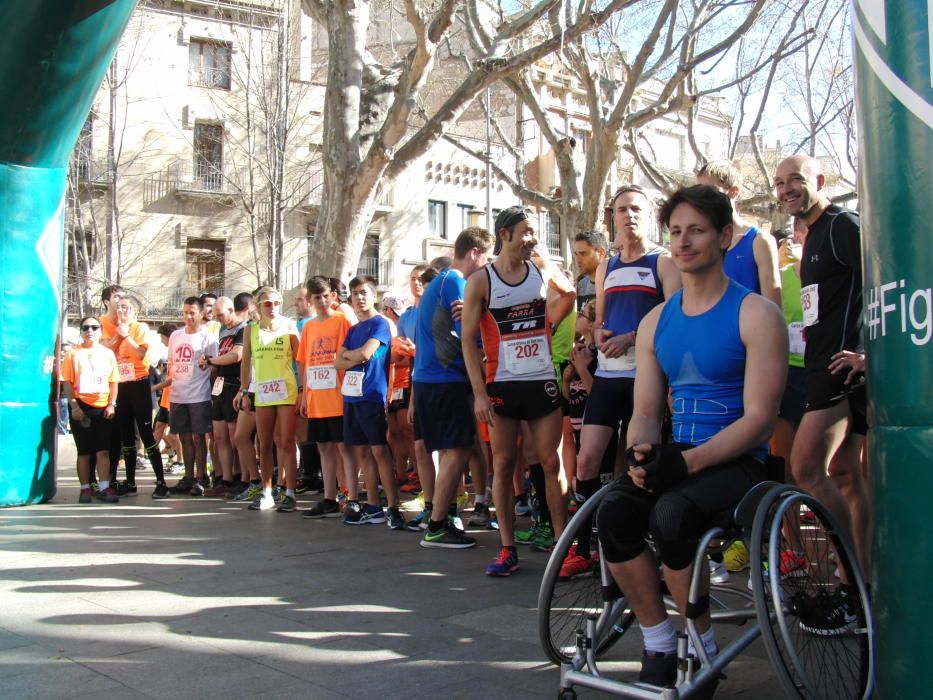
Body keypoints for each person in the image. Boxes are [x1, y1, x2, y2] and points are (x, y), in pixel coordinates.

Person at [596, 185, 786, 689]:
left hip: (740, 462)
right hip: (681, 455)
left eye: (696, 230)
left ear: (724, 236)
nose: (683, 242)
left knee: (672, 514)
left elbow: (761, 421)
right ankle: (658, 639)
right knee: (613, 511)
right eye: (676, 231)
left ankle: (701, 644)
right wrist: (641, 452)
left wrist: (688, 463)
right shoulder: (657, 321)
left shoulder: (757, 314)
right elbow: (645, 411)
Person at [566, 186, 681, 578]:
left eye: (636, 208)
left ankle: (643, 544)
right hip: (608, 375)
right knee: (586, 458)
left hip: (646, 377)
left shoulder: (662, 262)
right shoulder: (606, 267)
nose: (628, 215)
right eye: (621, 209)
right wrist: (598, 335)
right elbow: (601, 319)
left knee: (637, 463)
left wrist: (633, 337)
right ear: (611, 216)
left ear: (648, 215)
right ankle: (583, 547)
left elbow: (676, 318)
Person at [461, 206, 576, 576]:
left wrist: (549, 326)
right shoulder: (482, 281)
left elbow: (569, 293)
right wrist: (478, 393)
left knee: (550, 463)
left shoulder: (541, 269)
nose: (533, 239)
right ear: (505, 234)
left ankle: (563, 547)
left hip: (541, 380)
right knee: (504, 464)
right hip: (502, 385)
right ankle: (508, 548)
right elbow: (467, 341)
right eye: (527, 232)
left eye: (535, 232)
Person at [774, 155, 870, 581]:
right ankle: (863, 581)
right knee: (846, 475)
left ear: (819, 180)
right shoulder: (811, 236)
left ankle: (847, 575)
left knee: (807, 467)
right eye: (778, 184)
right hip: (820, 368)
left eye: (795, 180)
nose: (785, 190)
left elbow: (888, 278)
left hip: (839, 371)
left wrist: (868, 353)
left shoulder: (842, 225)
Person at [412, 227, 495, 548]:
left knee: (453, 449)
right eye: (485, 259)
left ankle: (443, 516)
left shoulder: (444, 282)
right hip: (444, 379)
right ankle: (437, 525)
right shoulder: (456, 282)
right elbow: (470, 338)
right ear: (474, 252)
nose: (486, 267)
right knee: (459, 449)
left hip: (432, 379)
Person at [335, 275, 406, 530]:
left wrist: (351, 356)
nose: (359, 297)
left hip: (373, 394)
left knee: (379, 450)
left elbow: (367, 354)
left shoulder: (381, 324)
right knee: (361, 450)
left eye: (364, 292)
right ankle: (373, 506)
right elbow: (337, 362)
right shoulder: (353, 330)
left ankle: (394, 507)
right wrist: (354, 356)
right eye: (355, 293)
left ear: (373, 294)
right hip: (351, 395)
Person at [236, 287, 300, 512]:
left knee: (286, 442)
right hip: (263, 392)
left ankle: (290, 492)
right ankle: (267, 491)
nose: (272, 308)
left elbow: (299, 359)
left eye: (276, 303)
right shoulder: (251, 330)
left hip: (286, 391)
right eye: (267, 304)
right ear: (258, 306)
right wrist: (244, 390)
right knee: (264, 445)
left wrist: (302, 390)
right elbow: (246, 362)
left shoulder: (289, 326)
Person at [297, 276, 354, 518]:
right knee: (324, 448)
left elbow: (351, 355)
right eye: (315, 297)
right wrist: (304, 394)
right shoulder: (308, 326)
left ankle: (351, 497)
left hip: (339, 396)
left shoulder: (343, 321)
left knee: (344, 449)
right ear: (309, 300)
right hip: (317, 398)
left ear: (332, 296)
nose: (320, 301)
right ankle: (329, 498)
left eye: (324, 296)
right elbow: (304, 361)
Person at [697, 160, 781, 307]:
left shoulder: (759, 241)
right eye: (699, 191)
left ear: (734, 191)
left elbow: (774, 306)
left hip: (751, 327)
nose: (702, 198)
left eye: (710, 191)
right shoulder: (702, 243)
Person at [111, 296, 170, 499]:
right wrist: (117, 336)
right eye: (119, 308)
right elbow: (107, 352)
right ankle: (129, 482)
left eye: (126, 308)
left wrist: (125, 335)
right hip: (120, 385)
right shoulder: (114, 328)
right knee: (126, 435)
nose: (122, 312)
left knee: (146, 433)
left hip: (138, 383)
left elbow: (139, 354)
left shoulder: (139, 328)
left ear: (135, 312)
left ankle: (161, 482)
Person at [61, 316, 121, 504]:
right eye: (86, 327)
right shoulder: (73, 353)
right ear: (81, 331)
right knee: (84, 451)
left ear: (100, 331)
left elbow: (114, 381)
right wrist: (74, 406)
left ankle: (104, 487)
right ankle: (85, 488)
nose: (90, 331)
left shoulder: (108, 354)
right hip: (81, 406)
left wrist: (112, 404)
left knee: (103, 451)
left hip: (102, 407)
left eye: (95, 327)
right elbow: (67, 382)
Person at [167, 297, 218, 495]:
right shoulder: (175, 336)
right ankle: (188, 477)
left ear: (201, 314)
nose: (188, 317)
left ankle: (201, 477)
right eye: (185, 312)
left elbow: (214, 366)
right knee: (184, 437)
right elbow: (172, 362)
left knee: (200, 438)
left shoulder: (208, 337)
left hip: (200, 395)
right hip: (178, 395)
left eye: (192, 313)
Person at [201, 296, 246, 497]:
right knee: (220, 436)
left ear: (231, 309)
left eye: (221, 315)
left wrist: (212, 360)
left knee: (237, 437)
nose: (218, 319)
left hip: (235, 384)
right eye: (216, 315)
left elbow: (236, 355)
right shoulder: (221, 330)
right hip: (220, 386)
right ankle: (225, 479)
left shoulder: (244, 328)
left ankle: (244, 478)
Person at [572, 229, 609, 312]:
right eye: (576, 254)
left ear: (601, 253)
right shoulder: (581, 283)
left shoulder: (613, 281)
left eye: (583, 253)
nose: (578, 260)